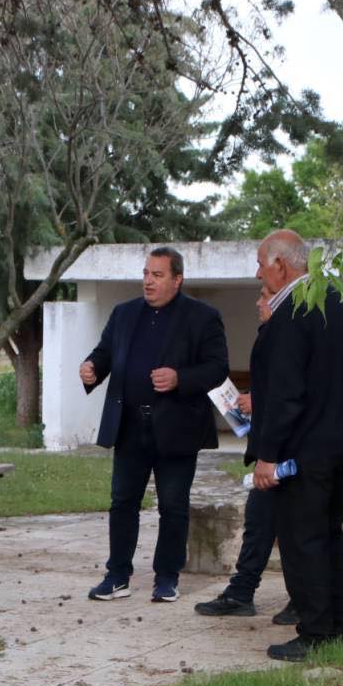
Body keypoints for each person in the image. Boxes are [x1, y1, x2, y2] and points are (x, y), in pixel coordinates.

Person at [79, 246, 228, 603]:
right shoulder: (124, 313)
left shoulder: (202, 317)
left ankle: (166, 577)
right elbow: (104, 354)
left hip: (177, 428)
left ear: (177, 279)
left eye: (157, 275)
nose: (148, 281)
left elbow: (217, 368)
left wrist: (180, 378)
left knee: (173, 505)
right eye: (146, 273)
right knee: (122, 501)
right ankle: (117, 576)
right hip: (129, 425)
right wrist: (92, 369)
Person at [249, 229, 343, 662]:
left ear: (280, 265)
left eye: (261, 263)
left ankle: (316, 631)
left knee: (302, 539)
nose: (258, 272)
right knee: (328, 535)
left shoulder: (290, 313)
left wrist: (268, 456)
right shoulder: (340, 303)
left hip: (305, 448)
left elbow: (284, 393)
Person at [194, 288, 294, 624]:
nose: (258, 302)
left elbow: (292, 392)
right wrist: (253, 399)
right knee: (259, 520)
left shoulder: (290, 333)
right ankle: (241, 592)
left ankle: (304, 598)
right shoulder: (272, 335)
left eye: (265, 295)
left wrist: (259, 401)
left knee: (296, 529)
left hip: (290, 452)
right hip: (269, 448)